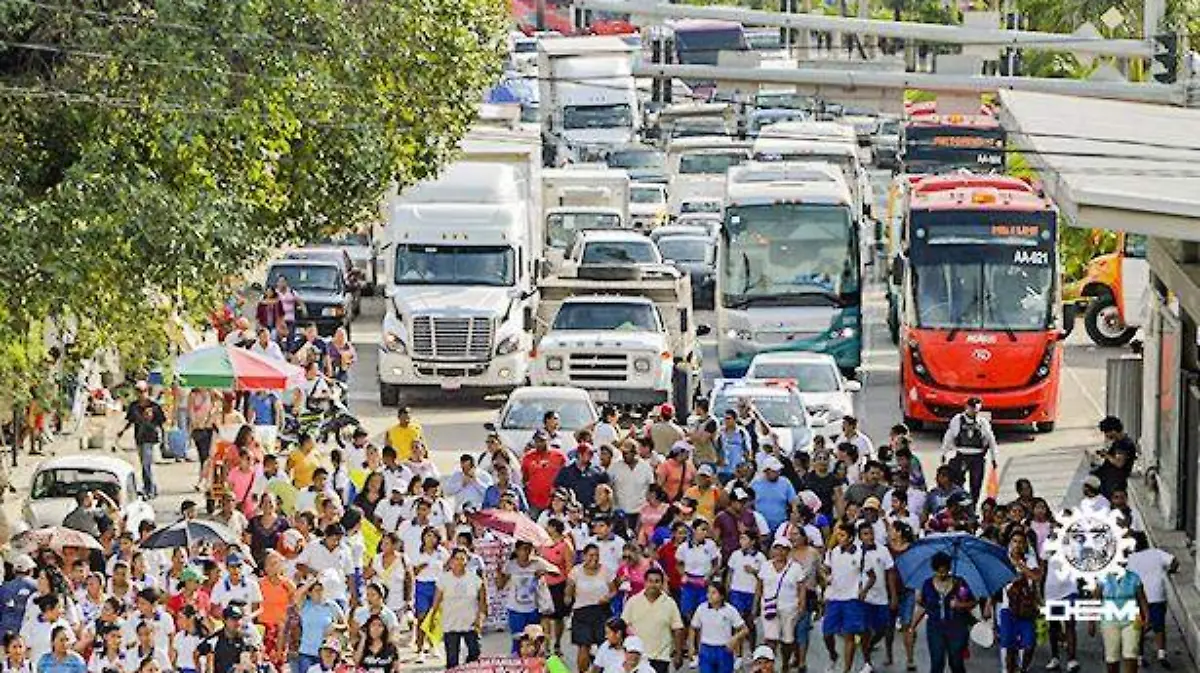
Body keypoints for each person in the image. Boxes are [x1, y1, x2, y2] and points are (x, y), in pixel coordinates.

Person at [911, 551, 975, 673]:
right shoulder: (927, 584)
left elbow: (973, 602)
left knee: (956, 662)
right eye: (939, 571)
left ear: (949, 568)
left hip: (957, 628)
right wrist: (912, 626)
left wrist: (959, 604)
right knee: (937, 662)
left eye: (945, 571)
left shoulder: (960, 583)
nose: (942, 574)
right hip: (935, 628)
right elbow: (923, 607)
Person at [822, 523, 872, 673]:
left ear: (850, 537)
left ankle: (847, 669)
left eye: (842, 535)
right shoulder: (833, 552)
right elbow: (826, 569)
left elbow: (872, 576)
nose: (839, 538)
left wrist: (864, 591)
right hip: (834, 598)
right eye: (838, 534)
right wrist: (825, 577)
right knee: (827, 633)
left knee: (849, 635)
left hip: (852, 598)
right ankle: (833, 655)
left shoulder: (861, 554)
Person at [1125, 532, 1177, 669]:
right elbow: (1175, 561)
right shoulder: (1157, 553)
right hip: (1157, 594)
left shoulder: (1131, 559)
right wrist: (1170, 571)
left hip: (1139, 597)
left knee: (1139, 627)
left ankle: (1140, 657)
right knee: (1159, 626)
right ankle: (1161, 653)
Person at [431, 548, 487, 669]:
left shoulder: (475, 579)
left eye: (462, 559)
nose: (459, 562)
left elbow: (482, 602)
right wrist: (432, 620)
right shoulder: (443, 579)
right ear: (451, 561)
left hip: (470, 623)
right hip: (450, 623)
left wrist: (480, 619)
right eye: (456, 559)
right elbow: (436, 601)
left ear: (467, 561)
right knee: (452, 660)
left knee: (475, 654)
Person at [622, 567, 685, 673]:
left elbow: (678, 629)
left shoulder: (670, 603)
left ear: (662, 583)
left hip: (660, 658)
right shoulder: (633, 601)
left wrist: (679, 654)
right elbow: (623, 625)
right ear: (645, 582)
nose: (653, 585)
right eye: (650, 581)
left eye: (657, 582)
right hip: (637, 657)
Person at [567, 544, 617, 673]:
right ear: (584, 556)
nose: (594, 558)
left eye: (597, 555)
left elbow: (614, 590)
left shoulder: (606, 570)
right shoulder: (576, 571)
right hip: (582, 611)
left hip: (601, 610)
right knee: (584, 646)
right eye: (591, 555)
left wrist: (608, 597)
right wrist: (567, 595)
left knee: (603, 646)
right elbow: (569, 592)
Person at [757, 538, 806, 669]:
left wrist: (802, 605)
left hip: (789, 608)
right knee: (770, 639)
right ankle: (768, 667)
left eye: (783, 549)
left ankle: (785, 664)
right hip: (769, 608)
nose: (779, 551)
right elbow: (759, 586)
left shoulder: (795, 568)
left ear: (788, 551)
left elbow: (801, 587)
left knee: (787, 640)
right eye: (776, 548)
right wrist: (755, 605)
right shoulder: (766, 566)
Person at [939, 397, 997, 503]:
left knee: (976, 484)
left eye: (976, 407)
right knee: (957, 482)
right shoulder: (957, 420)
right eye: (971, 407)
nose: (973, 410)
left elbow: (991, 440)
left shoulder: (983, 422)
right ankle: (959, 503)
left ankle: (973, 506)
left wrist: (994, 458)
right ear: (966, 407)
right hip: (962, 455)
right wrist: (944, 453)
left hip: (978, 457)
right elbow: (949, 436)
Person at [1092, 568, 1150, 673]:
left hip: (1132, 621)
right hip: (1109, 621)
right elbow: (1096, 599)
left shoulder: (1134, 578)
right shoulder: (1102, 578)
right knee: (1112, 657)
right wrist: (1091, 622)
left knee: (1131, 654)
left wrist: (1146, 618)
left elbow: (1142, 599)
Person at [120, 381, 166, 498]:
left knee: (146, 464)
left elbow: (161, 423)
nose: (141, 394)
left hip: (150, 438)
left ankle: (149, 489)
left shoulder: (154, 406)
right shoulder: (134, 406)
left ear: (147, 391)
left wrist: (164, 440)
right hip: (139, 437)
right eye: (138, 391)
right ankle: (151, 487)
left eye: (143, 391)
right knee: (144, 464)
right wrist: (122, 431)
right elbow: (130, 420)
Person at [690, 583, 748, 673]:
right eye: (708, 592)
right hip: (706, 648)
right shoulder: (701, 609)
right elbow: (693, 627)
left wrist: (734, 639)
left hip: (724, 649)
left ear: (721, 596)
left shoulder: (730, 610)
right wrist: (691, 646)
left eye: (714, 593)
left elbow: (744, 629)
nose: (709, 596)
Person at [523, 431, 568, 516]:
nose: (539, 444)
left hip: (553, 501)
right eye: (537, 441)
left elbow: (566, 475)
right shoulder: (528, 457)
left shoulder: (559, 456)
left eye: (542, 441)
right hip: (534, 501)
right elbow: (525, 477)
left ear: (548, 440)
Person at [0, 556, 38, 638]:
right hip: (25, 632)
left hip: (4, 631)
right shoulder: (36, 585)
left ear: (14, 570)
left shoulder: (4, 586)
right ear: (30, 570)